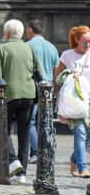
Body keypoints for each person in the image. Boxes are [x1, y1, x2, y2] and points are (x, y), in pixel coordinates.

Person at [0, 19, 43, 184]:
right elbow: (38, 72)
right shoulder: (29, 48)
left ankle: (13, 160)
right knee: (24, 133)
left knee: (1, 128)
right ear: (20, 33)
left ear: (6, 33)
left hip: (9, 95)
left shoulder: (2, 49)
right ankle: (23, 174)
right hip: (28, 94)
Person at [54, 25, 90, 177]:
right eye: (85, 42)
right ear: (76, 39)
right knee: (80, 133)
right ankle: (83, 168)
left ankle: (74, 159)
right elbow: (58, 77)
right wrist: (69, 74)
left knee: (87, 138)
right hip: (76, 101)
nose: (88, 45)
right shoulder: (67, 55)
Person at [25, 19, 59, 163]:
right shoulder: (52, 47)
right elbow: (56, 71)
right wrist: (56, 90)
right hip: (49, 87)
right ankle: (48, 150)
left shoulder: (27, 46)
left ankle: (36, 152)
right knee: (47, 120)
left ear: (30, 30)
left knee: (30, 121)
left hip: (33, 88)